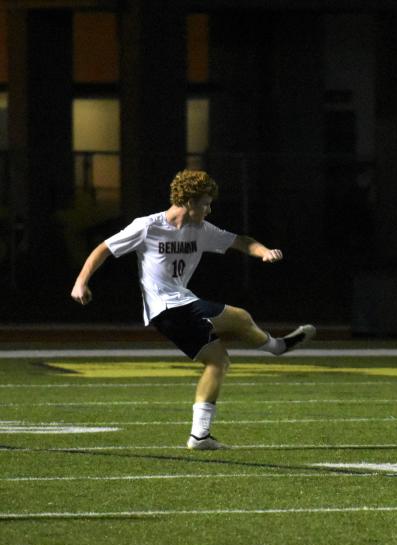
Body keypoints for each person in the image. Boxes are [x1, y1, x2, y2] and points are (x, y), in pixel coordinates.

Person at [70, 169, 316, 450]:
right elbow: (103, 248)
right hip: (167, 307)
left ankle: (200, 436)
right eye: (205, 203)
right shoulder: (148, 226)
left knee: (218, 362)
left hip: (177, 308)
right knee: (240, 317)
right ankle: (277, 347)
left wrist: (264, 251)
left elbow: (241, 241)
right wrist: (81, 282)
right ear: (188, 201)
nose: (209, 210)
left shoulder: (201, 230)